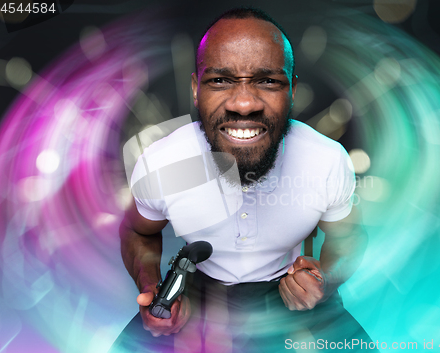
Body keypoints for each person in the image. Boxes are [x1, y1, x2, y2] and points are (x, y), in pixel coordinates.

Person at [110, 6, 375, 353]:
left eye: (268, 81)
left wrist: (324, 280)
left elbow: (350, 238)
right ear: (196, 89)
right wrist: (156, 288)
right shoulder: (166, 163)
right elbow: (136, 231)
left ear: (292, 91)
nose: (245, 103)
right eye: (220, 80)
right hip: (198, 289)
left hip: (289, 289)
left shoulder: (324, 159)